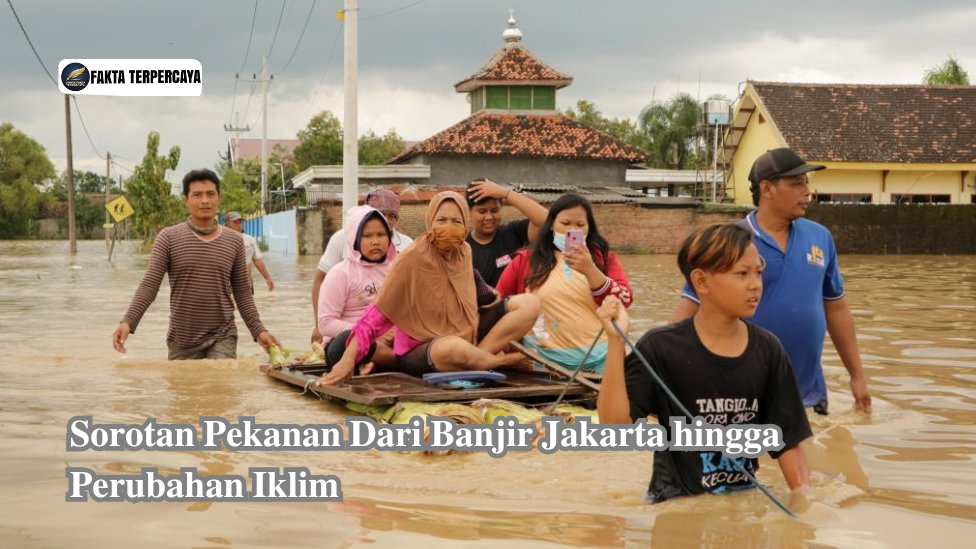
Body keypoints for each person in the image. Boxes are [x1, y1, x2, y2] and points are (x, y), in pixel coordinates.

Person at [598, 223, 812, 503]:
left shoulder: (769, 350)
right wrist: (615, 343)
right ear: (701, 282)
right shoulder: (661, 347)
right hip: (676, 505)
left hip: (741, 502)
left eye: (758, 273)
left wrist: (804, 498)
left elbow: (787, 440)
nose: (755, 285)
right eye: (742, 274)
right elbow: (615, 428)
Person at [670, 147, 872, 415]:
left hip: (809, 396)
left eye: (806, 182)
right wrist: (660, 368)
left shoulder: (820, 237)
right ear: (767, 189)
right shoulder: (730, 241)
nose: (807, 191)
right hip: (742, 398)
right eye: (797, 183)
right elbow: (690, 309)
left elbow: (836, 308)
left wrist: (857, 376)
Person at [317, 191, 541, 386]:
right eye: (441, 220)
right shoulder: (412, 258)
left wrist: (494, 301)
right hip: (422, 346)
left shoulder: (464, 252)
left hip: (465, 334)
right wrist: (348, 359)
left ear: (465, 224)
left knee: (530, 304)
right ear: (430, 221)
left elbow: (476, 297)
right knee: (450, 348)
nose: (448, 227)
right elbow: (377, 314)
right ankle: (490, 361)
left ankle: (477, 357)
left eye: (456, 221)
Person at [112, 169, 281, 359]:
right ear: (185, 200)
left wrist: (258, 330)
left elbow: (242, 291)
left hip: (222, 335)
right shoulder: (168, 238)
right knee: (186, 387)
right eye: (197, 195)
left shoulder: (234, 241)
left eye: (210, 194)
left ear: (219, 198)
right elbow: (150, 284)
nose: (205, 201)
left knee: (220, 385)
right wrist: (128, 321)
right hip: (182, 339)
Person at [496, 193, 633, 372]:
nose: (572, 231)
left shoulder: (603, 259)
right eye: (565, 224)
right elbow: (499, 305)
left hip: (600, 363)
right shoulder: (525, 261)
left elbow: (624, 300)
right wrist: (502, 352)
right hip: (540, 365)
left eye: (580, 225)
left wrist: (591, 270)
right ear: (552, 225)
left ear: (589, 228)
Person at [310, 189, 413, 343]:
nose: (376, 241)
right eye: (367, 235)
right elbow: (320, 281)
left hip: (385, 337)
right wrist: (318, 324)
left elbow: (407, 302)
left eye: (392, 216)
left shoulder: (405, 250)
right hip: (348, 334)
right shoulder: (341, 254)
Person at [317, 205, 399, 367]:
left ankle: (375, 363)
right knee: (345, 341)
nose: (375, 241)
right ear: (354, 239)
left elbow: (405, 311)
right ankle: (394, 361)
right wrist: (370, 333)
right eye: (367, 236)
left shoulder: (397, 269)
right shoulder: (340, 274)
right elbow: (325, 324)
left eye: (381, 235)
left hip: (388, 341)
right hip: (347, 344)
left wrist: (396, 332)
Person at [466, 178, 548, 286]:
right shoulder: (462, 246)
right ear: (470, 211)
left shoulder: (512, 233)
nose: (489, 217)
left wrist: (506, 193)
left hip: (513, 302)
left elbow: (546, 220)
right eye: (482, 211)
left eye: (495, 210)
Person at [223, 211, 274, 292]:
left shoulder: (249, 239)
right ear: (226, 224)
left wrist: (267, 278)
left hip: (246, 283)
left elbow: (257, 261)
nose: (238, 225)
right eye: (235, 222)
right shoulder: (221, 241)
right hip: (227, 285)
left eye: (240, 222)